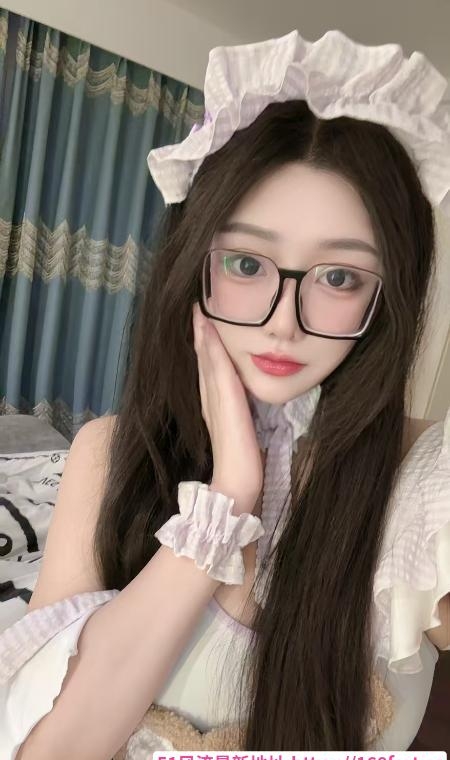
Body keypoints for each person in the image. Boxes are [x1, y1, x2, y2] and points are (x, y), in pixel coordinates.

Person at [1, 28, 450, 760]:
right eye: (246, 263)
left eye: (339, 278)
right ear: (194, 264)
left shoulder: (424, 476)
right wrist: (230, 494)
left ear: (386, 301)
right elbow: (52, 750)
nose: (282, 322)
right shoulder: (110, 454)